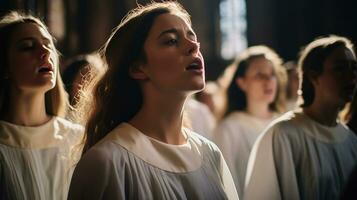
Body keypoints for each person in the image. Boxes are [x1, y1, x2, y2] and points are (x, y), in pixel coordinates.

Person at [68, 2, 238, 200]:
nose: (194, 47)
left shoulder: (209, 154)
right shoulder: (108, 161)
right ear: (138, 68)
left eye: (192, 37)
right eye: (171, 41)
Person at [244, 35, 357, 200]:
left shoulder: (352, 141)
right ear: (313, 76)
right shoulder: (283, 135)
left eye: (354, 68)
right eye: (340, 69)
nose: (351, 76)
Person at [0, 12, 84, 199]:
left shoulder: (78, 139)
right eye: (28, 47)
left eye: (48, 45)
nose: (45, 52)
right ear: (5, 66)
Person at [212, 45, 287, 197]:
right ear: (242, 83)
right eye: (260, 75)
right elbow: (226, 186)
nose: (268, 80)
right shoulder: (229, 128)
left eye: (272, 74)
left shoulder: (285, 124)